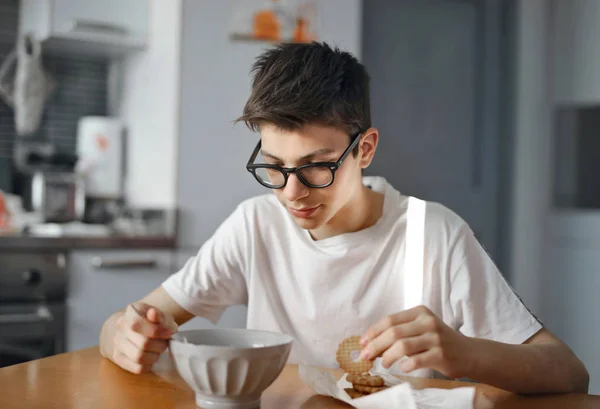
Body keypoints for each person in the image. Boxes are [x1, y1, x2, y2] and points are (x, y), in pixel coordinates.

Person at [99, 42, 589, 394]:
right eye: (273, 167)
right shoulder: (255, 225)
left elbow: (567, 372)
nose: (291, 194)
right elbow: (125, 324)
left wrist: (463, 352)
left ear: (366, 149)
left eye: (316, 166)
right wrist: (124, 336)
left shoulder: (432, 234)